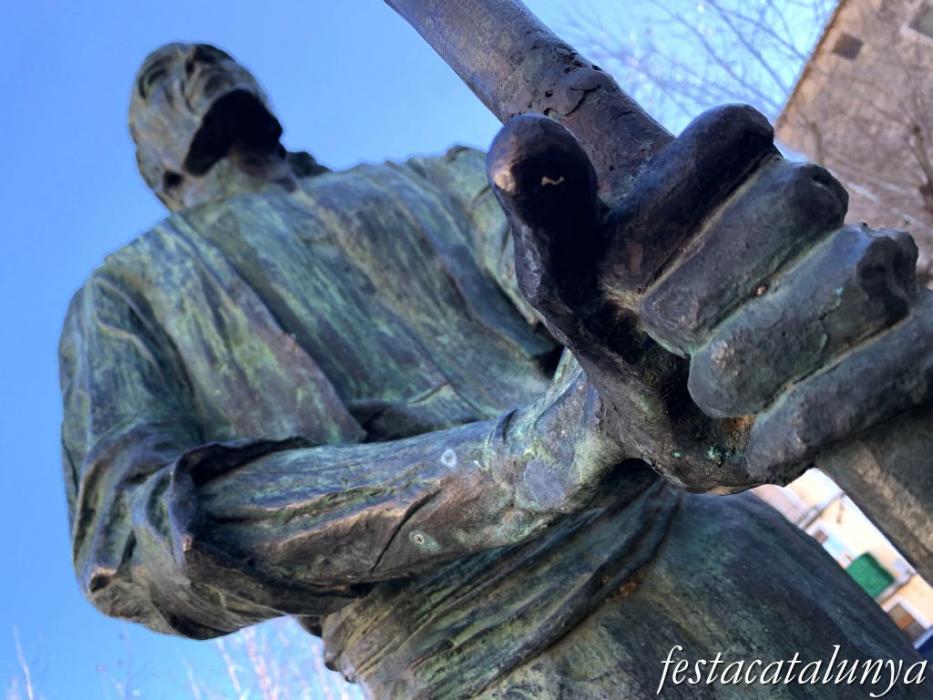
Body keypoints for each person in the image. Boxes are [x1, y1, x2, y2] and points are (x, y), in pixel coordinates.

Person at [59, 42, 930, 698]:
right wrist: (505, 468)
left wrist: (693, 275)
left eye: (210, 55)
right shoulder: (126, 294)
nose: (196, 67)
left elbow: (591, 285)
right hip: (474, 659)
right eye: (163, 78)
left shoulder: (425, 179)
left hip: (702, 541)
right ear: (152, 158)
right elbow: (134, 546)